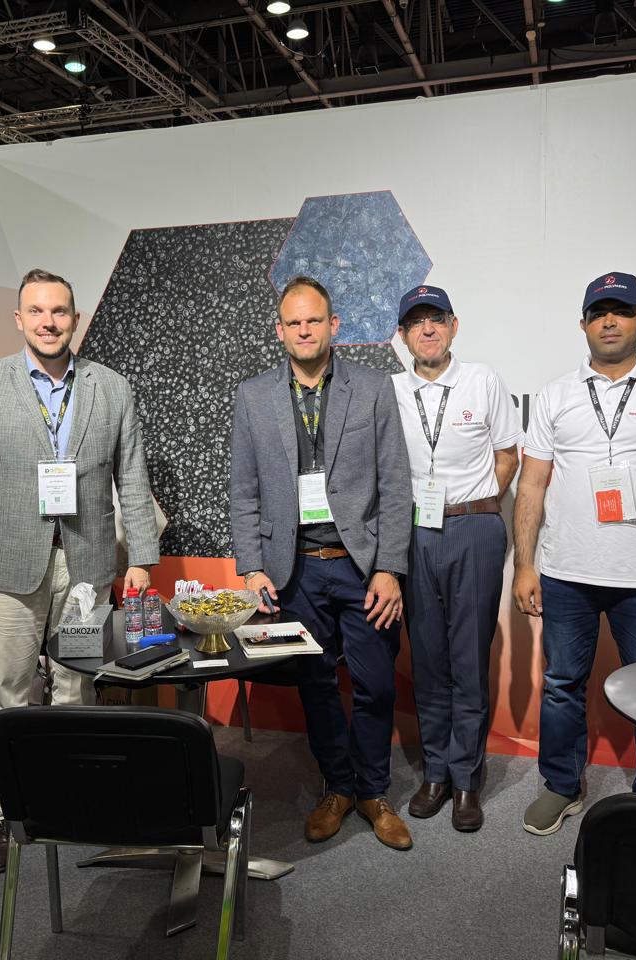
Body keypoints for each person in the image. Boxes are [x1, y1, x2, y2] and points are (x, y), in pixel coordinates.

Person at [0, 268, 159, 872]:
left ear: (75, 318)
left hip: (87, 568)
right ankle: (3, 813)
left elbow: (132, 477)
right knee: (9, 693)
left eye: (59, 311)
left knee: (76, 687)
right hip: (9, 569)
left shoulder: (110, 387)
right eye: (36, 311)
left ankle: (73, 798)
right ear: (19, 319)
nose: (48, 322)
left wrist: (142, 557)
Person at [512, 271, 636, 836]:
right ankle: (561, 785)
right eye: (598, 312)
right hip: (566, 572)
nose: (609, 321)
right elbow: (531, 485)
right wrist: (524, 564)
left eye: (621, 311)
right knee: (562, 684)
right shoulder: (555, 395)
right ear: (582, 323)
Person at [230, 275, 414, 850]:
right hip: (295, 570)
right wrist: (251, 566)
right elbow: (244, 489)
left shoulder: (373, 387)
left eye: (314, 320)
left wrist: (389, 568)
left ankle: (374, 791)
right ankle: (338, 787)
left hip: (362, 568)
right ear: (279, 330)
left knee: (375, 685)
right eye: (294, 322)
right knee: (315, 684)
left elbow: (395, 483)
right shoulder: (254, 396)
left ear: (334, 325)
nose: (304, 330)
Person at [391, 285, 521, 831]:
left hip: (475, 528)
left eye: (437, 319)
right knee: (427, 658)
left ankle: (467, 777)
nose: (428, 330)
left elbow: (508, 455)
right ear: (402, 335)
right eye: (417, 322)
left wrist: (478, 502)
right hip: (414, 532)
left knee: (468, 658)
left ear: (453, 326)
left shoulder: (483, 380)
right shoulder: (390, 391)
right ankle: (436, 772)